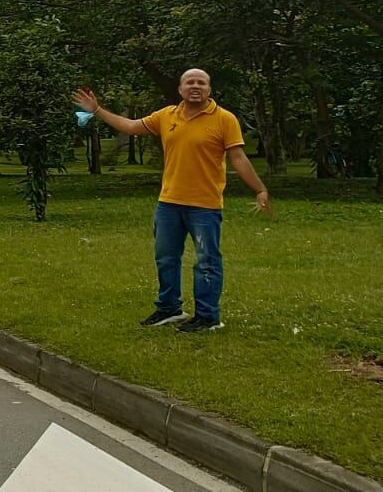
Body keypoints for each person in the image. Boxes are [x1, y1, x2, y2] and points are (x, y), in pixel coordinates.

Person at [75, 69, 272, 333]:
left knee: (206, 261)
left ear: (209, 89)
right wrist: (97, 110)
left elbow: (238, 158)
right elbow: (130, 126)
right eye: (189, 82)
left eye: (201, 82)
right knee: (166, 258)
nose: (195, 86)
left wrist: (259, 188)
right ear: (180, 89)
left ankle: (208, 316)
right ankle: (170, 309)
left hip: (205, 205)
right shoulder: (166, 116)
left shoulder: (225, 119)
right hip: (168, 203)